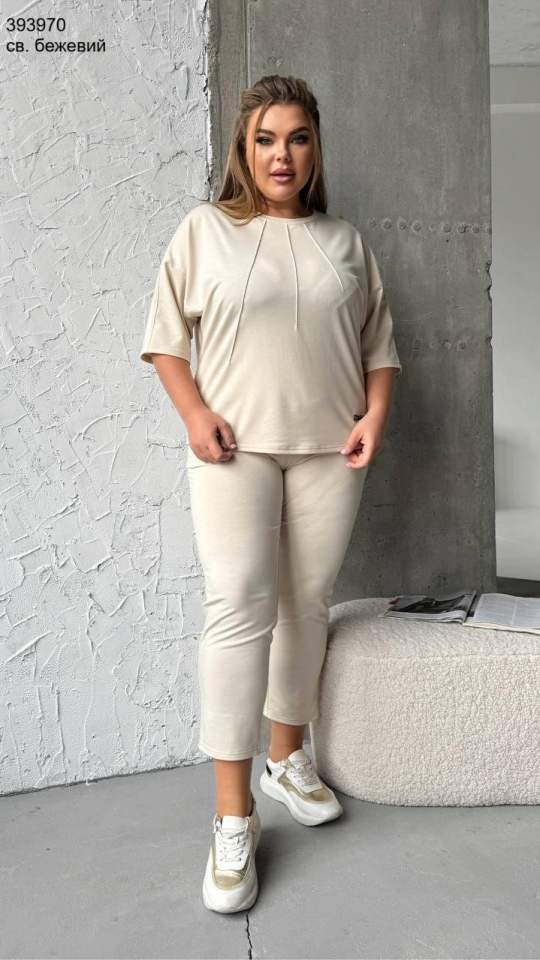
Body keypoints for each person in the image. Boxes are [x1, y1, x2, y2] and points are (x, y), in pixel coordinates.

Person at [140, 74, 402, 914]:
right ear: (242, 149)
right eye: (264, 139)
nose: (280, 155)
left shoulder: (345, 241)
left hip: (330, 450)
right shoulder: (205, 231)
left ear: (315, 148)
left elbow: (379, 348)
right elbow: (167, 338)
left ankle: (287, 760)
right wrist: (193, 413)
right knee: (238, 609)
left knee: (306, 605)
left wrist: (375, 418)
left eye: (296, 138)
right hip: (233, 451)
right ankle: (233, 816)